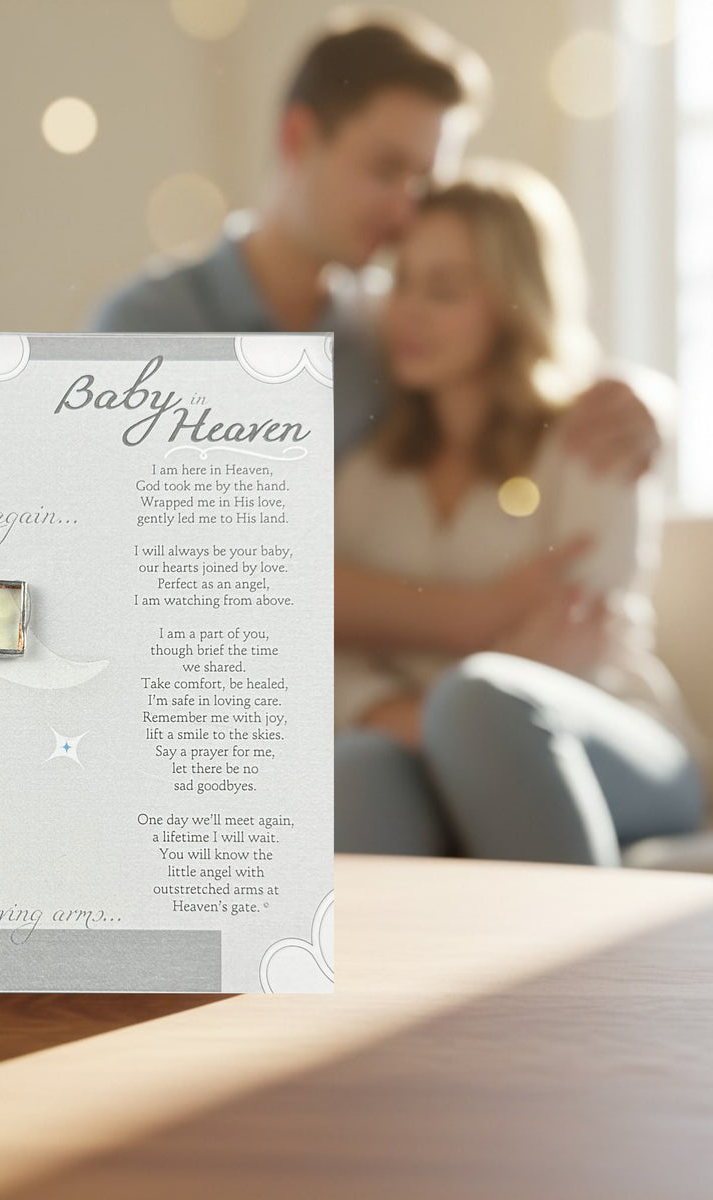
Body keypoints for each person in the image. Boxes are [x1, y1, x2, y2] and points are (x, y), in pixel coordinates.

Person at [88, 14, 663, 667]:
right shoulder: (151, 327)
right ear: (299, 138)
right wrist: (472, 617)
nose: (404, 209)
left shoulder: (384, 333)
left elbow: (524, 364)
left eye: (424, 181)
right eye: (387, 169)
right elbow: (199, 567)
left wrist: (644, 399)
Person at [334, 162, 706, 864]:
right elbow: (329, 650)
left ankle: (573, 973)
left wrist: (452, 702)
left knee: (482, 701)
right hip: (423, 741)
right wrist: (411, 717)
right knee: (357, 765)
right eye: (402, 281)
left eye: (443, 289)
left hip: (615, 735)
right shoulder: (366, 476)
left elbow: (576, 634)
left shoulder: (591, 438)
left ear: (512, 301)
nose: (408, 311)